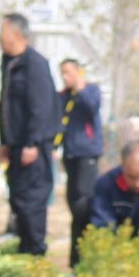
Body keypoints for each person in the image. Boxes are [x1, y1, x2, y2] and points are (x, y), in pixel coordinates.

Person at [0, 13, 58, 256]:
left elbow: (40, 107)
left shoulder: (35, 64)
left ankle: (35, 252)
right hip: (15, 145)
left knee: (32, 199)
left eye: (2, 32)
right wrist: (5, 141)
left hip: (33, 145)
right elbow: (7, 106)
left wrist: (32, 142)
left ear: (16, 34)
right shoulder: (9, 62)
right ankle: (25, 248)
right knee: (18, 198)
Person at [58, 58, 104, 251]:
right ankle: (77, 249)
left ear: (78, 71)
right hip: (70, 154)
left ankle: (83, 248)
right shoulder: (64, 96)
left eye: (68, 72)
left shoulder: (90, 90)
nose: (65, 77)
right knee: (73, 200)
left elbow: (92, 107)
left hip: (87, 154)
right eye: (62, 73)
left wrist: (80, 87)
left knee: (83, 203)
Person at [84, 140, 139, 259]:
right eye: (131, 177)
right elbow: (102, 224)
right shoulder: (106, 184)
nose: (138, 184)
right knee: (82, 207)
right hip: (119, 248)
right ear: (123, 166)